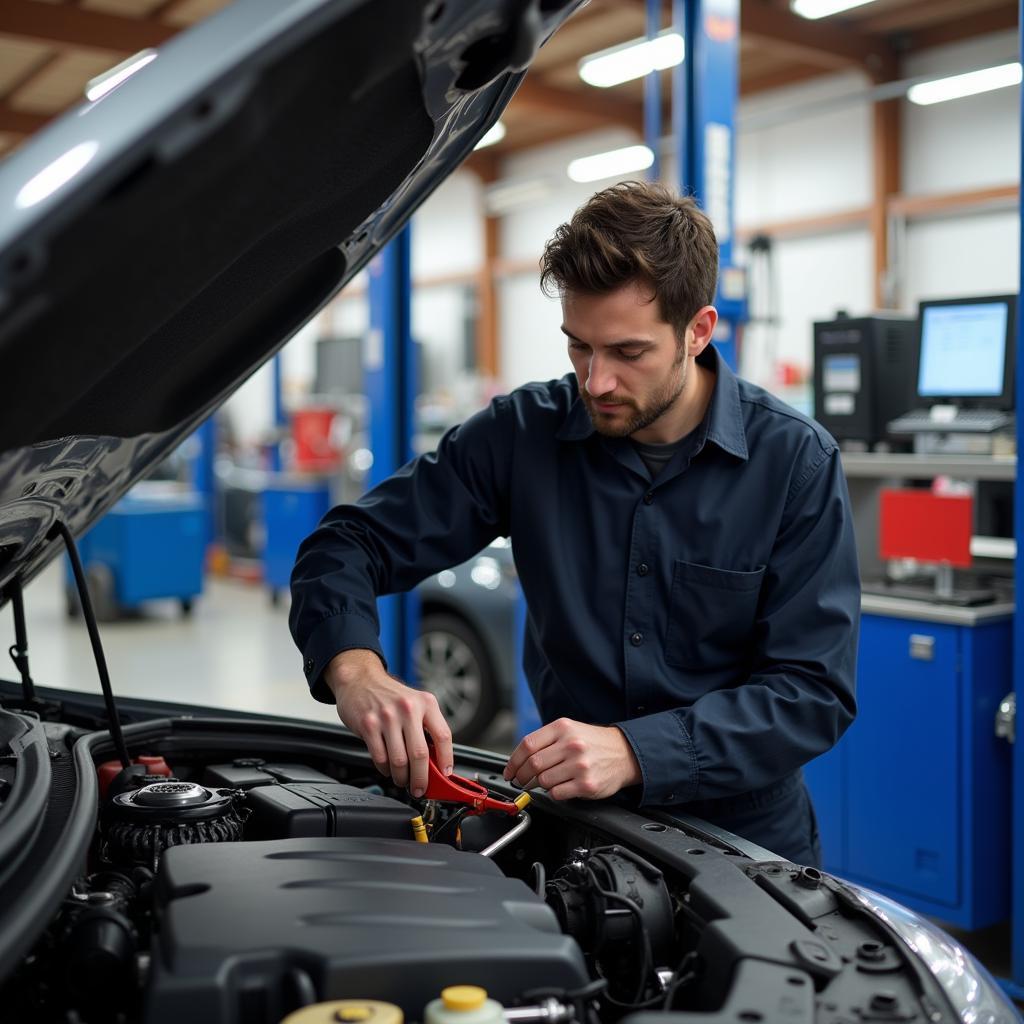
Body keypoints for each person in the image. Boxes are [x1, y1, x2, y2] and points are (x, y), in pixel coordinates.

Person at [289, 180, 859, 865]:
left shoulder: (794, 462)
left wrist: (634, 750)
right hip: (578, 831)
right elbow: (346, 543)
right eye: (578, 347)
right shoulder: (521, 437)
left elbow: (811, 693)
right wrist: (357, 672)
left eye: (627, 352)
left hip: (746, 846)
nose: (595, 382)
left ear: (698, 331)